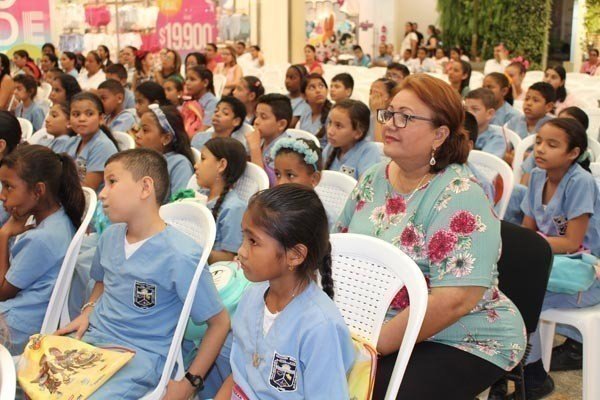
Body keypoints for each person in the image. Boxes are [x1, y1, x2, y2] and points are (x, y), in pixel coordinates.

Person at [336, 74, 526, 399]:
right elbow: (339, 249)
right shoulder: (372, 178)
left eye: (405, 117)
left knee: (368, 391)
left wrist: (372, 345)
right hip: (376, 322)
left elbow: (454, 300)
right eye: (388, 113)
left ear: (439, 134)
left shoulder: (459, 195)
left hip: (461, 334)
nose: (390, 124)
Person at [56, 148, 230, 399]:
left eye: (112, 182)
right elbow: (101, 282)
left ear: (145, 187)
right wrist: (88, 311)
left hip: (139, 357)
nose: (102, 194)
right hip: (93, 339)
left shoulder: (181, 256)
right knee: (34, 373)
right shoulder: (110, 236)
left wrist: (189, 384)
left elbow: (219, 322)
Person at [214, 184, 354, 399]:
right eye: (244, 238)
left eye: (253, 241)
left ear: (295, 255)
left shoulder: (320, 327)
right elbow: (238, 377)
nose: (241, 251)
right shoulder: (252, 296)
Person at [521, 118, 600, 399]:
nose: (541, 149)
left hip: (586, 274)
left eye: (552, 145)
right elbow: (527, 230)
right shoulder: (537, 176)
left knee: (522, 298)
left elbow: (571, 242)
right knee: (506, 286)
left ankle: (533, 377)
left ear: (573, 153)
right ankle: (521, 372)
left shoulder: (581, 182)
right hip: (551, 264)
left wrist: (529, 247)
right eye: (539, 141)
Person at [0, 145, 84, 355]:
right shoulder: (58, 218)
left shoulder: (43, 238)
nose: (2, 195)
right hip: (22, 314)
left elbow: (2, 293)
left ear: (38, 190)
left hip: (17, 326)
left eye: (8, 187)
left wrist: (3, 235)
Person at [52, 92, 119, 192]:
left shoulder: (103, 146)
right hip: (69, 195)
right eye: (76, 114)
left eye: (89, 114)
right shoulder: (71, 142)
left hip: (92, 203)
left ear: (101, 119)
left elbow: (87, 190)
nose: (82, 119)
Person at [194, 137, 246, 264]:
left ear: (221, 165)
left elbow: (230, 257)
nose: (196, 165)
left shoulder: (233, 208)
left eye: (203, 159)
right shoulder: (200, 195)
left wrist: (195, 252)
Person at [134, 104, 194, 195]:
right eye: (139, 129)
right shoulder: (137, 160)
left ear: (166, 138)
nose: (137, 135)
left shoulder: (179, 164)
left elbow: (179, 203)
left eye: (145, 130)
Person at [323, 99, 381, 179]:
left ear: (358, 133)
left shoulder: (368, 150)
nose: (330, 131)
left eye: (338, 126)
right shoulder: (330, 148)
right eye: (330, 122)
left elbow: (365, 187)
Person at [246, 94, 293, 186]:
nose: (256, 121)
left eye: (263, 117)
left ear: (281, 124)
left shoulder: (286, 150)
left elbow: (265, 185)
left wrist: (254, 148)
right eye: (256, 116)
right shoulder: (262, 138)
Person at [464, 88, 507, 159]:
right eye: (465, 109)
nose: (468, 113)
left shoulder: (496, 139)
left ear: (489, 114)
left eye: (475, 109)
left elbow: (484, 166)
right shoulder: (457, 133)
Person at [181, 66, 217, 136]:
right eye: (186, 79)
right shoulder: (189, 102)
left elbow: (205, 129)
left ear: (205, 83)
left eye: (192, 79)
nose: (187, 83)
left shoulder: (212, 102)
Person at [298, 73, 332, 147]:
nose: (318, 90)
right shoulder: (305, 113)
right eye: (312, 87)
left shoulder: (333, 115)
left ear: (327, 90)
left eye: (321, 86)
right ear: (303, 96)